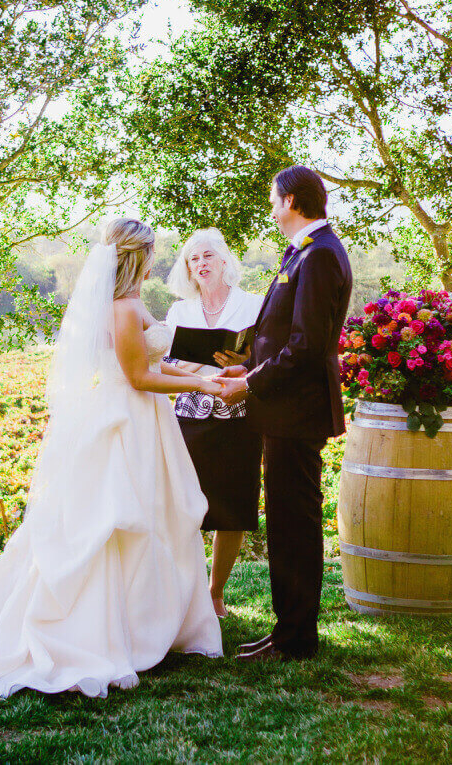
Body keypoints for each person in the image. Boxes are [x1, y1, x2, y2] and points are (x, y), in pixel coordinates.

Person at [0, 218, 222, 697]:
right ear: (139, 255)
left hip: (145, 422)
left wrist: (213, 369)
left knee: (149, 519)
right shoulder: (123, 306)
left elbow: (159, 361)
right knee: (116, 524)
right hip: (126, 419)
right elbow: (137, 376)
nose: (157, 259)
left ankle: (144, 623)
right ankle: (111, 630)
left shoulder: (131, 303)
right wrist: (199, 384)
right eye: (153, 252)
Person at [216, 166, 352, 661]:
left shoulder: (317, 257)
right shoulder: (305, 253)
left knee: (295, 525)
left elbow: (306, 347)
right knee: (288, 524)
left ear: (291, 201)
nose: (271, 208)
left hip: (296, 413)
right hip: (285, 412)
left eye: (273, 200)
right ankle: (288, 630)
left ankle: (296, 638)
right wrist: (246, 367)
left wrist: (251, 384)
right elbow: (280, 335)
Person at [165, 229, 264, 617]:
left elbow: (264, 357)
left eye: (208, 256)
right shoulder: (179, 312)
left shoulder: (254, 305)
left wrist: (243, 366)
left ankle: (215, 593)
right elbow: (166, 363)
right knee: (183, 505)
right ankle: (183, 592)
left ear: (225, 260)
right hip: (188, 417)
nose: (201, 264)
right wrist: (202, 371)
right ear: (188, 270)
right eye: (194, 259)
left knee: (233, 507)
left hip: (239, 416)